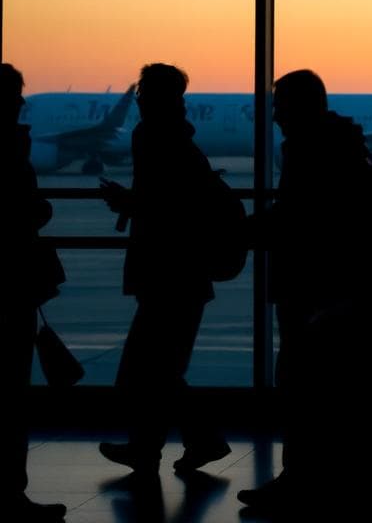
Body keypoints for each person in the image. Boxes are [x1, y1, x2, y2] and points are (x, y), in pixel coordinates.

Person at [236, 69, 372, 514]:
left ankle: (301, 480)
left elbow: (301, 219)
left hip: (313, 290)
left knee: (305, 388)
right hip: (331, 290)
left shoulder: (311, 153)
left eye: (281, 105)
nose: (275, 115)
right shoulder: (338, 146)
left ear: (300, 107)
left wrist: (243, 228)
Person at [98, 64, 230, 474]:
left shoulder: (152, 138)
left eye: (142, 94)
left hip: (165, 271)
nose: (138, 101)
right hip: (186, 272)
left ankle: (190, 440)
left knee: (152, 367)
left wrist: (129, 202)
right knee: (159, 367)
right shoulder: (185, 144)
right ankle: (153, 447)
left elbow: (163, 207)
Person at [1, 64, 67, 521]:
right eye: (16, 99)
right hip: (12, 287)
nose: (22, 107)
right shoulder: (10, 151)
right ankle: (11, 495)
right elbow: (22, 210)